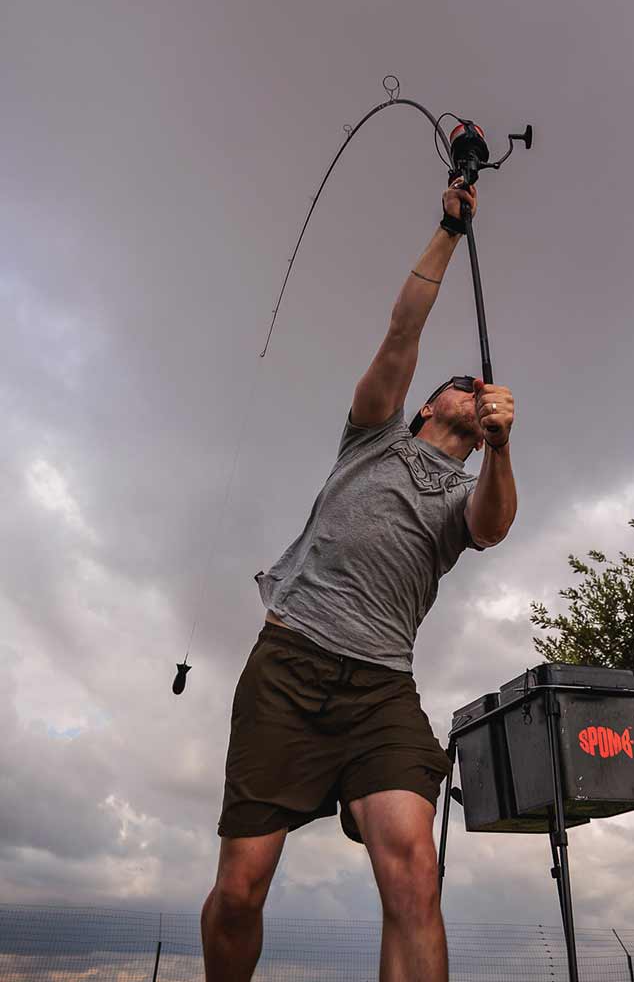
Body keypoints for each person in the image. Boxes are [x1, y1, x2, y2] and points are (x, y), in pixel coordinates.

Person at [201, 175, 517, 982]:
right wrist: (448, 229)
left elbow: (493, 525)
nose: (471, 390)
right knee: (240, 890)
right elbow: (402, 330)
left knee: (415, 873)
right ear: (423, 409)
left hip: (381, 691)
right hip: (291, 665)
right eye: (461, 384)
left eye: (479, 394)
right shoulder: (373, 435)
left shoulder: (468, 490)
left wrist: (505, 447)